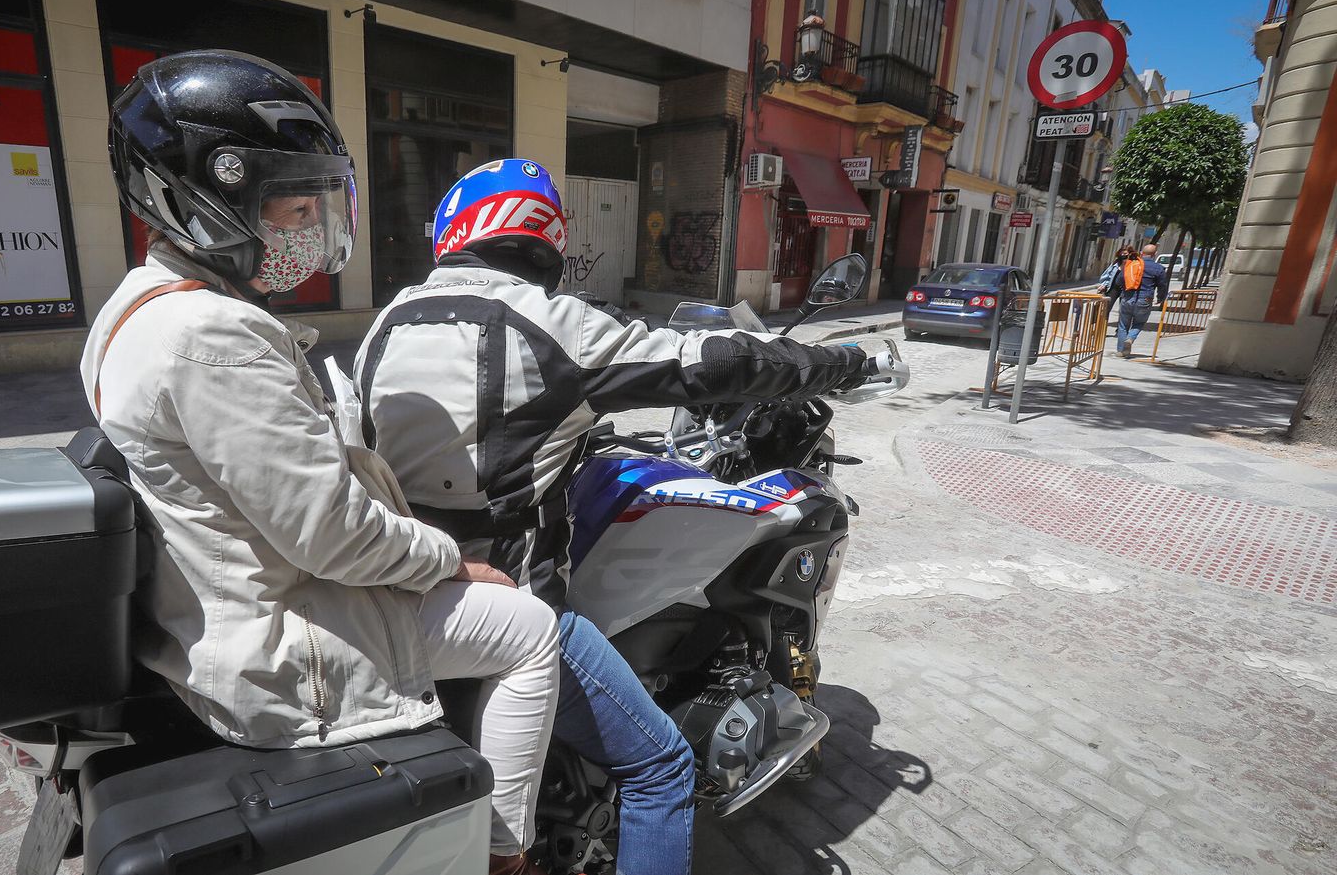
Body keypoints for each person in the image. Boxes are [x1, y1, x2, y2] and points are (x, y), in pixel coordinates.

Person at [87, 52, 560, 875]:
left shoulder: (136, 306)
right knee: (530, 628)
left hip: (221, 599)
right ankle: (504, 849)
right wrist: (452, 559)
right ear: (204, 198)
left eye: (314, 201)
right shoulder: (212, 335)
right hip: (283, 638)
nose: (307, 224)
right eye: (291, 203)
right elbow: (331, 535)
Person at [355, 158, 872, 875]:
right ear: (546, 240)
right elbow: (718, 361)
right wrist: (840, 362)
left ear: (451, 231)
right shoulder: (554, 324)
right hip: (509, 610)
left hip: (396, 596)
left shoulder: (386, 324)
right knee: (661, 764)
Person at [1107, 242, 1169, 357]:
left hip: (1128, 298)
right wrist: (1161, 298)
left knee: (1123, 325)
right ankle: (1130, 338)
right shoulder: (1158, 268)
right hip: (1145, 299)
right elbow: (1163, 285)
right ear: (1155, 254)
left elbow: (1119, 281)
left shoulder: (1130, 265)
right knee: (1139, 323)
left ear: (1141, 253)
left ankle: (1121, 351)